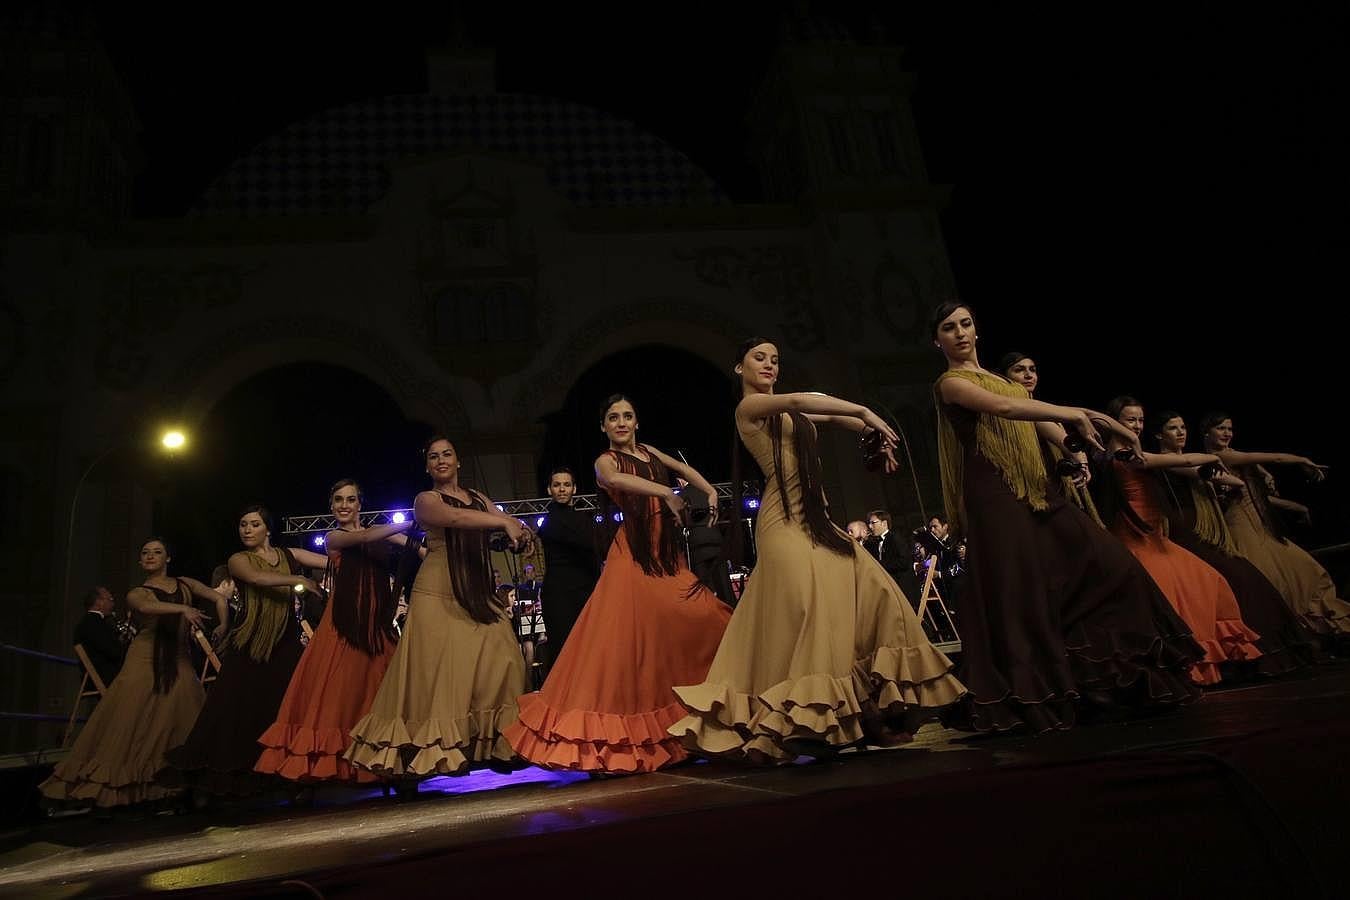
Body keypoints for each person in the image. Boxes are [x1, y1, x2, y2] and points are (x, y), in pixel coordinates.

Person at [669, 340, 965, 762]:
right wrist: (863, 412)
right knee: (809, 609)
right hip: (781, 521)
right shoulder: (749, 409)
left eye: (774, 359)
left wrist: (871, 431)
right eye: (759, 358)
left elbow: (823, 411)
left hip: (816, 520)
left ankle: (865, 714)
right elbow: (805, 399)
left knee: (874, 587)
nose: (770, 364)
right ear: (739, 367)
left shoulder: (792, 413)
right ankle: (797, 722)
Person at [929, 301, 1202, 732]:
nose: (960, 332)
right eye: (949, 327)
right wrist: (1071, 411)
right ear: (938, 340)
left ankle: (1100, 676)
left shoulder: (1002, 381)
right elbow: (1006, 409)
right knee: (1023, 593)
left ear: (977, 331)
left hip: (1036, 488)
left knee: (1109, 563)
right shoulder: (951, 383)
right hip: (994, 493)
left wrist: (1073, 448)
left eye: (966, 324)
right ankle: (1037, 693)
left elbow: (1037, 423)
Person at [505, 395, 733, 773]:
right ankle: (627, 731)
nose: (621, 422)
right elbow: (613, 479)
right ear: (604, 426)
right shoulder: (605, 460)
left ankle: (690, 718)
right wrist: (663, 491)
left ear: (637, 421)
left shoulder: (650, 452)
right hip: (634, 557)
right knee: (634, 645)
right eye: (613, 417)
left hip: (665, 555)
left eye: (628, 416)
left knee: (706, 617)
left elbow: (682, 468)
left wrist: (708, 489)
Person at [345, 437, 529, 780]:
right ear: (427, 466)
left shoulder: (478, 498)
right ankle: (419, 757)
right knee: (437, 673)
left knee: (504, 658)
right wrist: (501, 522)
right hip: (437, 591)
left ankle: (496, 745)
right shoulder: (425, 500)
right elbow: (456, 518)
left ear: (458, 461)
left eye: (447, 454)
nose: (441, 460)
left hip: (477, 591)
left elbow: (498, 523)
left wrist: (518, 534)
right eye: (434, 456)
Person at [42, 539, 225, 811]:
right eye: (145, 553)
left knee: (184, 714)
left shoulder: (185, 583)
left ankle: (179, 783)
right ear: (140, 562)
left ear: (168, 558)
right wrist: (182, 609)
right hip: (144, 657)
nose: (150, 556)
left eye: (157, 552)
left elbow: (218, 597)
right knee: (131, 718)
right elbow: (148, 608)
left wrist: (223, 624)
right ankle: (117, 786)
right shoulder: (137, 592)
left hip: (178, 657)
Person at [1091, 398, 1262, 684]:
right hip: (1137, 540)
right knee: (1171, 594)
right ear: (1113, 421)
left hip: (1157, 539)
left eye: (1140, 421)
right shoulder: (1124, 457)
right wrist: (1210, 457)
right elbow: (1178, 460)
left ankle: (1204, 656)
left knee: (1208, 580)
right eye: (1131, 420)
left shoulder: (1128, 453)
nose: (1137, 426)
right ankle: (1181, 662)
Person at [161, 505, 327, 797]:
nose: (247, 530)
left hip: (285, 640)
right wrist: (298, 579)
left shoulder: (290, 555)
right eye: (242, 525)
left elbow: (332, 561)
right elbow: (257, 578)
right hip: (250, 641)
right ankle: (229, 776)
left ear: (267, 529)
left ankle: (286, 773)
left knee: (284, 705)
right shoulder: (238, 560)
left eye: (254, 524)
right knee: (233, 707)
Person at [255, 479, 413, 785]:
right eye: (338, 500)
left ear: (359, 504)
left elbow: (413, 546)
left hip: (375, 623)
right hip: (343, 622)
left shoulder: (381, 535)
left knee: (376, 687)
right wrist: (409, 521)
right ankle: (332, 763)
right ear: (331, 506)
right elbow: (367, 535)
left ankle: (382, 758)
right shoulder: (334, 537)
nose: (344, 505)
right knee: (339, 689)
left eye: (350, 499)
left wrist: (422, 545)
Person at [1151, 410, 1318, 675]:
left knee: (1247, 579)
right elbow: (1208, 473)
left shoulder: (1187, 459)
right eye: (1173, 428)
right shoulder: (1165, 460)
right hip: (1187, 531)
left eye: (1183, 427)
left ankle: (1258, 653)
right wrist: (1219, 468)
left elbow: (1231, 479)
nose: (1181, 432)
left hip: (1206, 530)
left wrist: (1229, 475)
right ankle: (1240, 657)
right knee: (1237, 580)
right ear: (1159, 434)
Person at [1200, 411, 1350, 642]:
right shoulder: (1218, 458)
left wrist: (1297, 507)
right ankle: (1287, 635)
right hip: (1242, 528)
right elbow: (1274, 458)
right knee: (1270, 580)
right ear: (1206, 433)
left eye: (1230, 428)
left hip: (1262, 527)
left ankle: (1310, 631)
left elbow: (1258, 497)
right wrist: (1301, 460)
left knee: (1304, 570)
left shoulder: (1233, 456)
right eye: (1221, 428)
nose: (1227, 433)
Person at [999, 351, 1103, 526]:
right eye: (1019, 370)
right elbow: (1063, 440)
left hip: (1055, 485)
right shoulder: (1010, 414)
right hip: (1029, 490)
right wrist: (1079, 457)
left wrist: (1080, 461)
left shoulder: (1048, 410)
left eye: (1032, 369)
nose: (1028, 375)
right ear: (1005, 377)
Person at [536, 467, 602, 661]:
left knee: (589, 647)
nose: (562, 489)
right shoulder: (550, 522)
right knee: (564, 650)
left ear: (574, 488)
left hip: (586, 591)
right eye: (557, 485)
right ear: (549, 490)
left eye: (566, 485)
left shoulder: (583, 519)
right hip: (559, 595)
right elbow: (592, 544)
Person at [74, 586, 126, 689]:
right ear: (98, 602)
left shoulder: (90, 622)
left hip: (101, 676)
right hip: (105, 677)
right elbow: (114, 652)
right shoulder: (94, 623)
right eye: (110, 600)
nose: (113, 604)